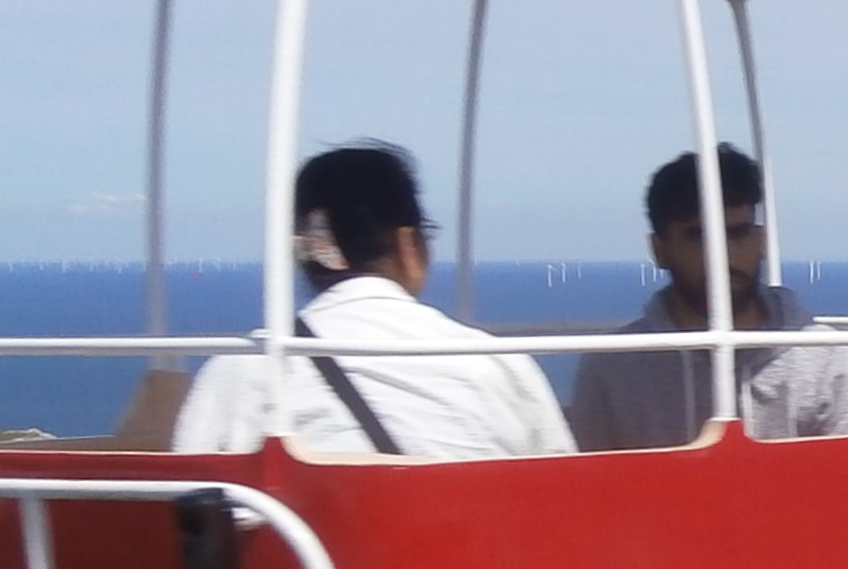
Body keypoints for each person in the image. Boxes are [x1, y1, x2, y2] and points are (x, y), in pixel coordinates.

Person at [171, 143, 574, 460]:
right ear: (408, 244)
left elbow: (187, 517)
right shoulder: (498, 367)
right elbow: (561, 499)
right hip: (461, 564)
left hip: (300, 567)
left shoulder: (239, 372)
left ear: (303, 253)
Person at [566, 145, 848, 451]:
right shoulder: (611, 369)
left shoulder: (831, 359)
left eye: (737, 233)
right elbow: (591, 489)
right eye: (699, 237)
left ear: (760, 240)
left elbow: (845, 488)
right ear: (660, 250)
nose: (723, 255)